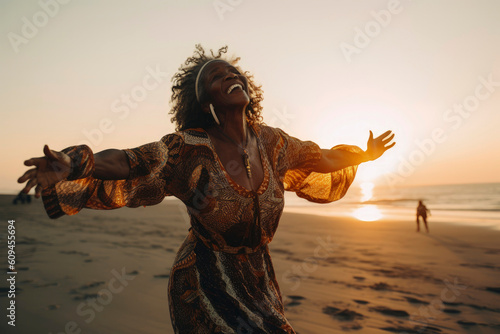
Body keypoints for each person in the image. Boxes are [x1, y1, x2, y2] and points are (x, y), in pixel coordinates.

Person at [17, 45, 395, 333]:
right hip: (204, 281)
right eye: (216, 77)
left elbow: (321, 160)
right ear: (205, 101)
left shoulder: (274, 144)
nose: (231, 76)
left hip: (259, 278)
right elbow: (132, 162)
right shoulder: (189, 148)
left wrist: (364, 155)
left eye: (233, 71)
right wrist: (76, 163)